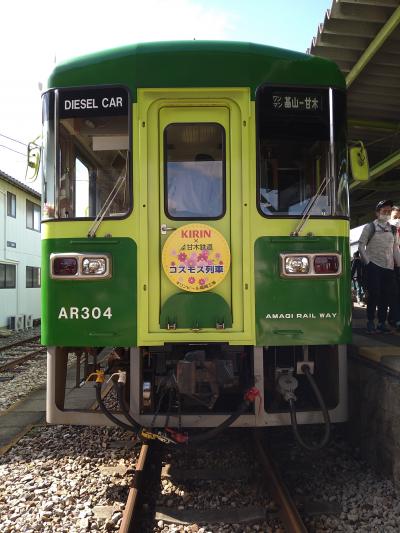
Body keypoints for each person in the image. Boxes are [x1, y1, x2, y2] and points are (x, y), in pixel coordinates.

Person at [358, 199, 400, 334]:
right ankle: (370, 321)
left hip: (388, 267)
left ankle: (382, 323)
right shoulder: (369, 227)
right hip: (374, 265)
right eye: (384, 211)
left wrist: (398, 263)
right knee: (374, 295)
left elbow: (395, 248)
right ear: (377, 213)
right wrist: (368, 263)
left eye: (389, 211)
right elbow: (361, 246)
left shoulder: (393, 229)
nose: (386, 213)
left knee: (386, 296)